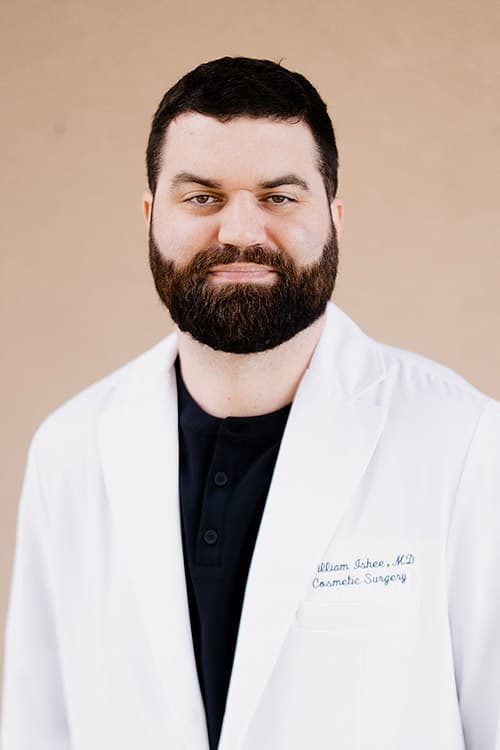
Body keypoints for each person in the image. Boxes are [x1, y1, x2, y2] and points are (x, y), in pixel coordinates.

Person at [1, 56, 499, 750]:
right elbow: (33, 728)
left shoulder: (464, 443)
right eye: (201, 197)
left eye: (279, 197)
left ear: (335, 216)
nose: (240, 231)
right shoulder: (70, 450)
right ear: (150, 216)